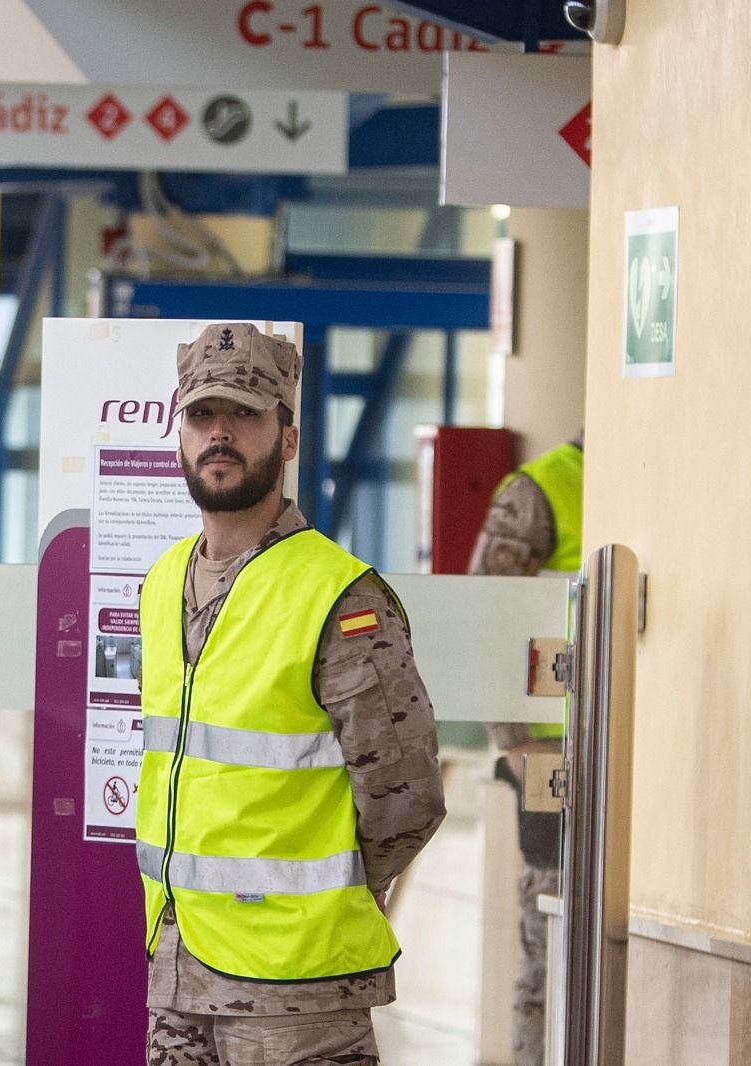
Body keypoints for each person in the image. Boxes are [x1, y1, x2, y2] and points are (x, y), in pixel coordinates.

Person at [138, 323, 446, 1066]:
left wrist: (329, 892)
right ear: (179, 434)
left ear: (288, 438)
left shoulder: (339, 595)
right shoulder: (160, 583)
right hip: (180, 971)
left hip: (300, 996)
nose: (220, 435)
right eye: (203, 416)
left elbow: (406, 795)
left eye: (246, 415)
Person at [467, 433, 583, 1066]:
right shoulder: (539, 491)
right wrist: (518, 745)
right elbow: (489, 615)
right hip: (553, 758)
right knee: (547, 950)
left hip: (626, 753)